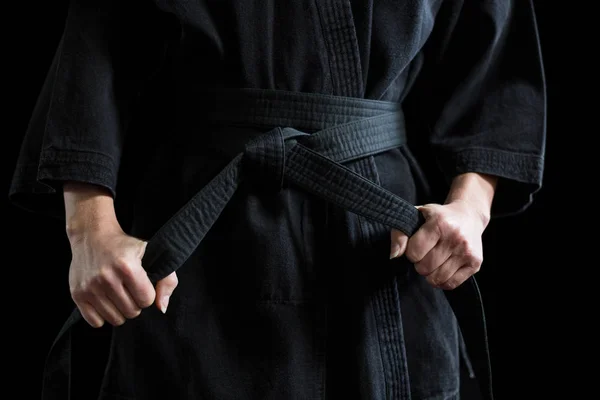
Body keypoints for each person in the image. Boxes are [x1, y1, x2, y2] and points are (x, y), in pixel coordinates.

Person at [9, 0, 546, 399]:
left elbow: (494, 68)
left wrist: (469, 210)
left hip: (382, 248)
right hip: (201, 249)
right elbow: (96, 46)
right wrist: (90, 230)